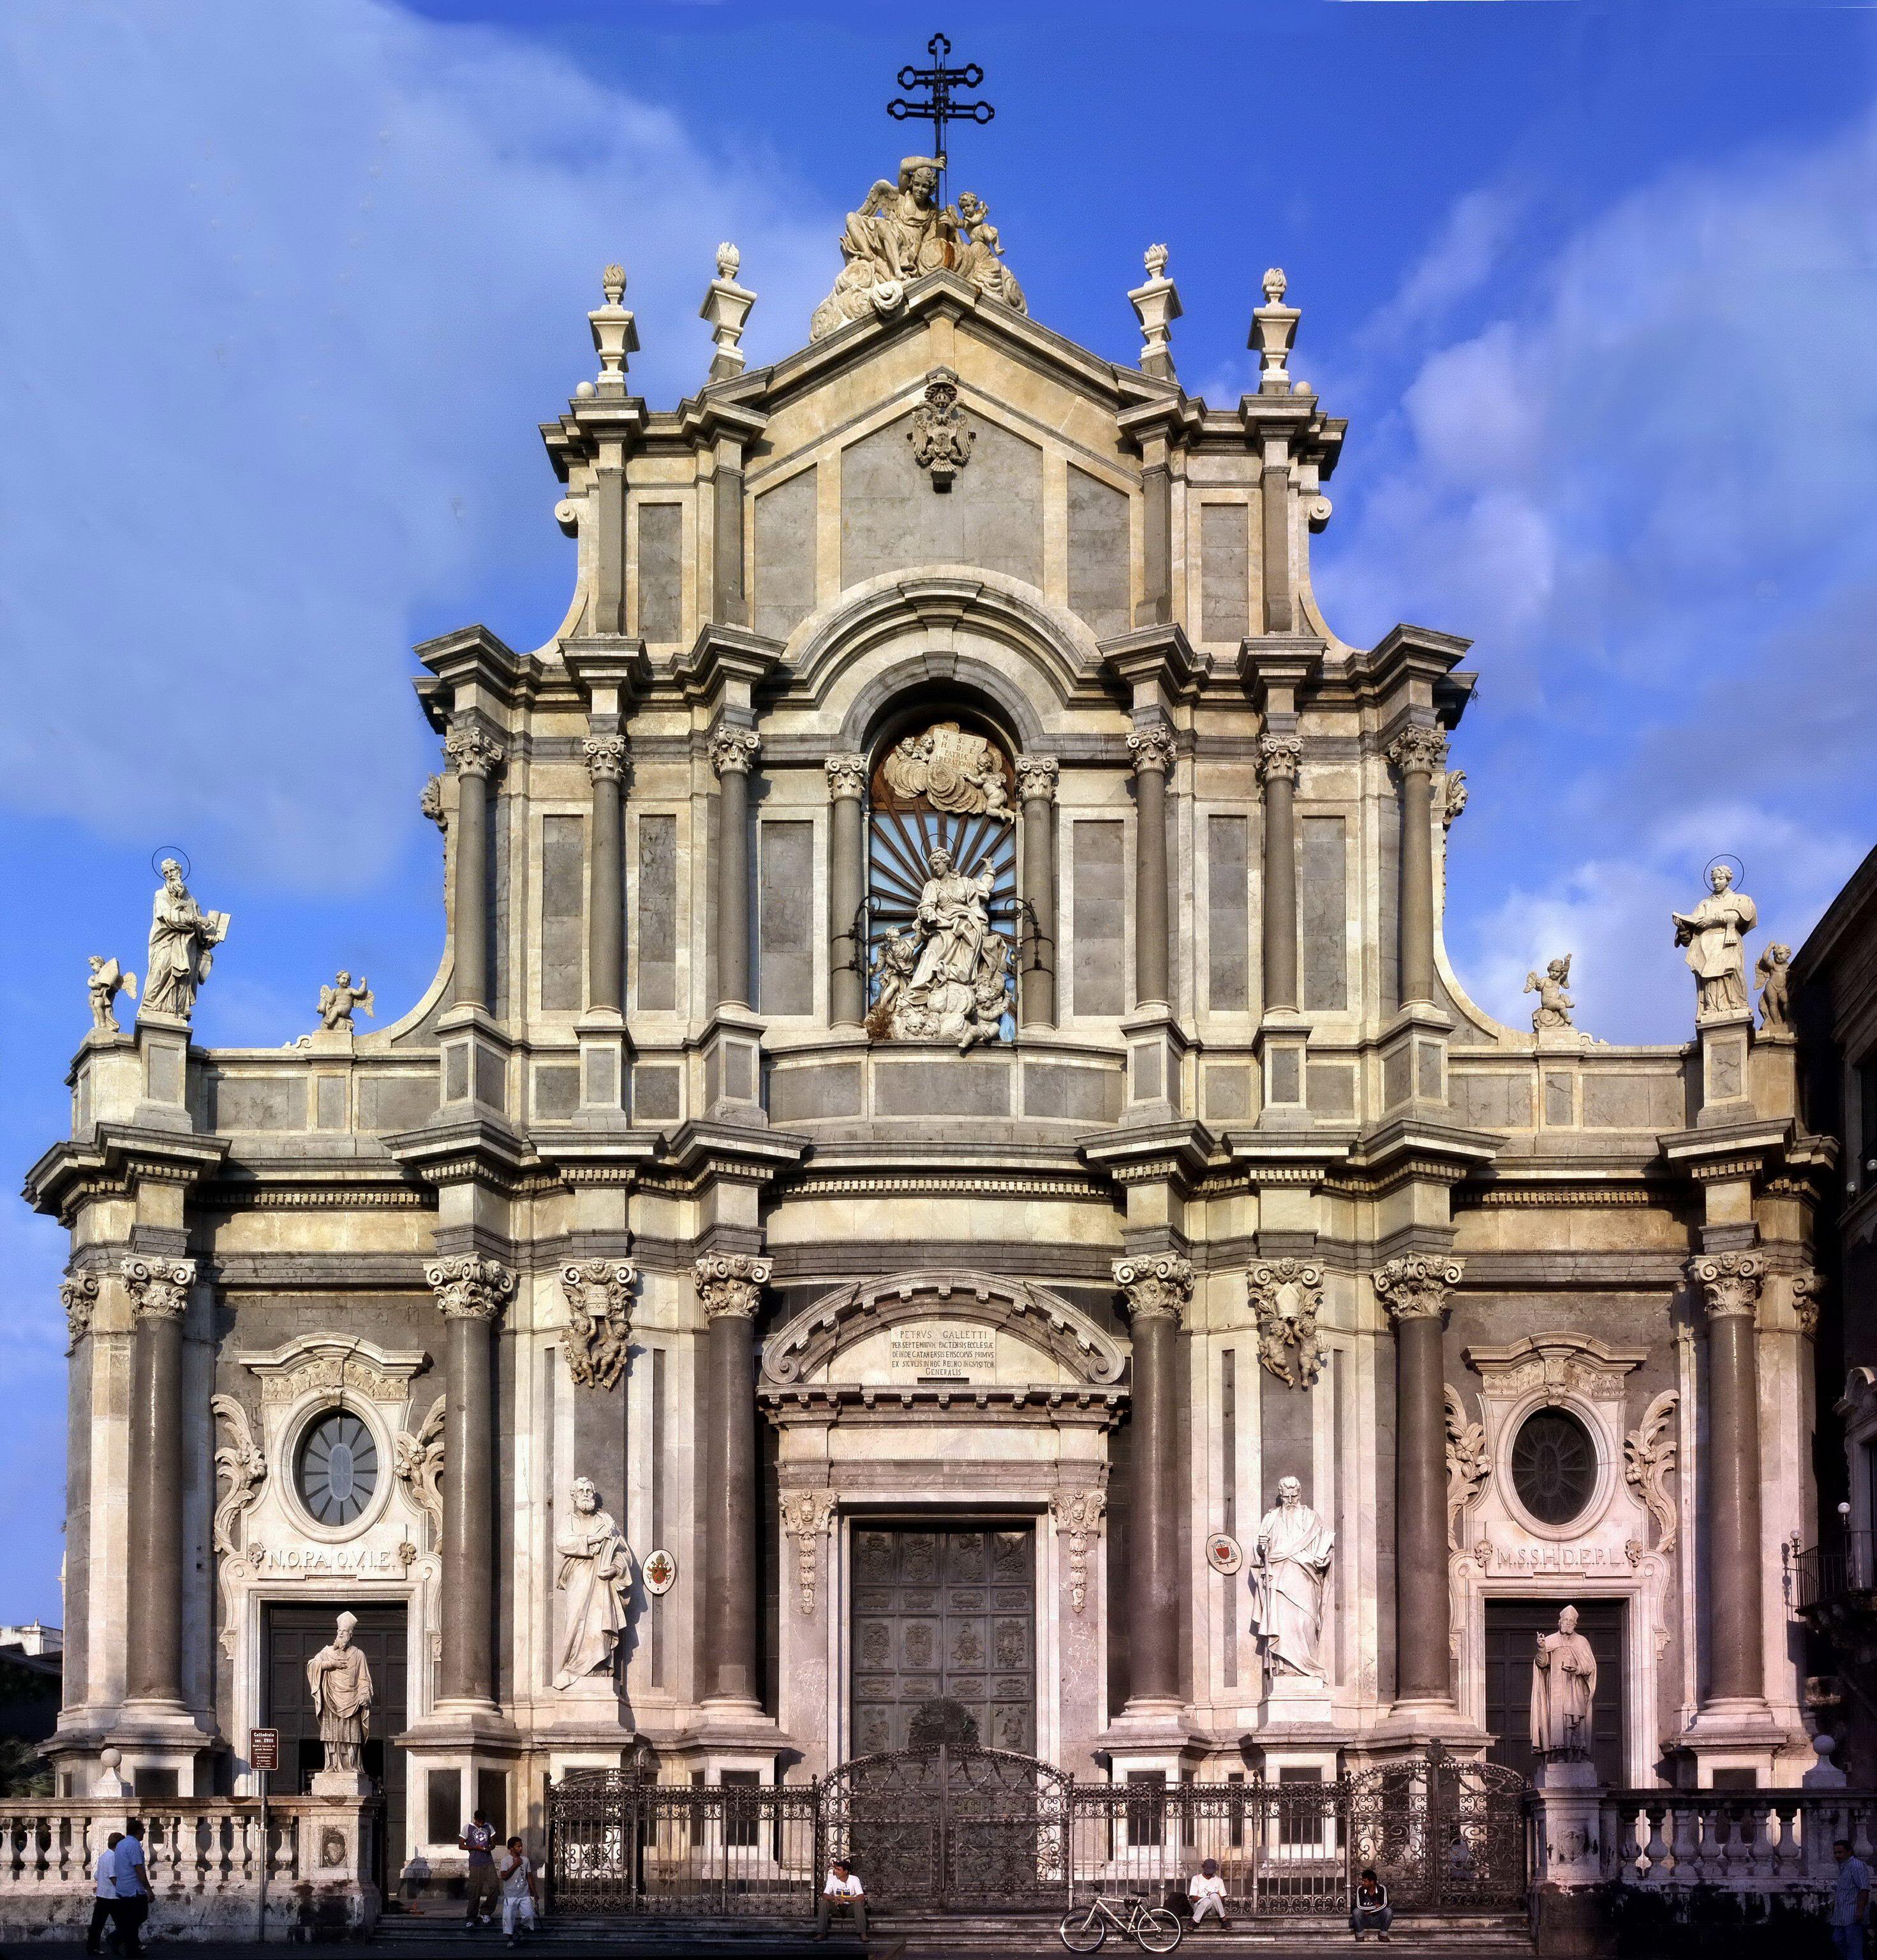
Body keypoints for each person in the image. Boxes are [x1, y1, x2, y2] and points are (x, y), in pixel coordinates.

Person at [110, 1820, 151, 1958]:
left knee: (130, 1920)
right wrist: (148, 1889)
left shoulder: (121, 1844)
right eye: (143, 1829)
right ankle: (116, 1938)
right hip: (133, 1889)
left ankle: (132, 1950)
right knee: (139, 1917)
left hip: (123, 1888)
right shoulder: (133, 1845)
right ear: (138, 1831)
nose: (145, 1831)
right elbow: (138, 1868)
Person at [460, 1809, 500, 1929]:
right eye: (479, 1822)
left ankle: (486, 1911)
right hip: (475, 1863)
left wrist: (489, 1847)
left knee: (495, 1886)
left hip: (488, 1862)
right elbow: (461, 1845)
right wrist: (475, 1847)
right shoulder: (468, 1828)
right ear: (475, 1819)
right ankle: (471, 1917)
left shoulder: (489, 1827)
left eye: (483, 1822)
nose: (481, 1824)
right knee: (475, 1891)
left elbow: (493, 1844)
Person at [1832, 1838, 1871, 1960]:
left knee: (1854, 1947)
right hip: (1841, 1915)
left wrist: (1860, 1910)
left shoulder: (1856, 1866)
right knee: (1838, 1940)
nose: (1837, 1855)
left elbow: (1864, 1889)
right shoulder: (1844, 1867)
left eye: (1840, 1852)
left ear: (1849, 1852)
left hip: (1853, 1914)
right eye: (1835, 1852)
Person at [85, 1829, 122, 1956]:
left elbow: (96, 1876)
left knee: (97, 1924)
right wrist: (122, 1891)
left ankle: (92, 1948)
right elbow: (113, 1877)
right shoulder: (113, 1857)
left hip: (102, 1895)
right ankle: (128, 1945)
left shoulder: (103, 1857)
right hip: (112, 1896)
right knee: (123, 1924)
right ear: (118, 1845)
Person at [815, 1857, 867, 1941]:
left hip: (850, 1908)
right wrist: (834, 1898)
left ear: (846, 1872)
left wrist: (846, 1900)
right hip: (837, 1908)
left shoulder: (854, 1879)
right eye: (835, 1869)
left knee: (858, 1903)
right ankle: (821, 1933)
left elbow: (861, 1897)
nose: (836, 1871)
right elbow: (824, 1895)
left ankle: (862, 1934)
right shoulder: (832, 1879)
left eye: (838, 1869)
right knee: (824, 1902)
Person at [498, 1837, 537, 1946]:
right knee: (509, 1917)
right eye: (518, 1846)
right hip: (511, 1894)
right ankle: (510, 1939)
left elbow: (529, 1877)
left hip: (524, 1893)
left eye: (521, 1846)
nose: (521, 1848)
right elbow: (504, 1876)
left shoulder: (526, 1860)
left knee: (529, 1915)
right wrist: (515, 1865)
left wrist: (534, 1892)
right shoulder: (505, 1860)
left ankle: (519, 1927)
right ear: (511, 1848)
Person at [1351, 1866, 1391, 1942]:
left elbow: (1385, 1904)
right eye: (1362, 1881)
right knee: (1356, 1912)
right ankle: (1360, 1936)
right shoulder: (1360, 1889)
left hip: (1378, 1918)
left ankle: (1383, 1935)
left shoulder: (1382, 1889)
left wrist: (1371, 1911)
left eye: (1365, 1881)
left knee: (1388, 1911)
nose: (1363, 1883)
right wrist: (1375, 1907)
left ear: (1372, 1882)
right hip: (1365, 1918)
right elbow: (1359, 1906)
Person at [1189, 1856, 1230, 1929]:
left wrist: (1216, 1896)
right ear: (1204, 1868)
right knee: (1207, 1901)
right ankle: (1194, 1921)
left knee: (1214, 1896)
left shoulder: (1219, 1880)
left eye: (1211, 1873)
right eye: (1208, 1872)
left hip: (1214, 1909)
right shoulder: (1196, 1879)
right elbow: (1193, 1899)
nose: (1209, 1875)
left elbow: (1223, 1899)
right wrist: (1206, 1898)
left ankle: (1224, 1920)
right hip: (1200, 1907)